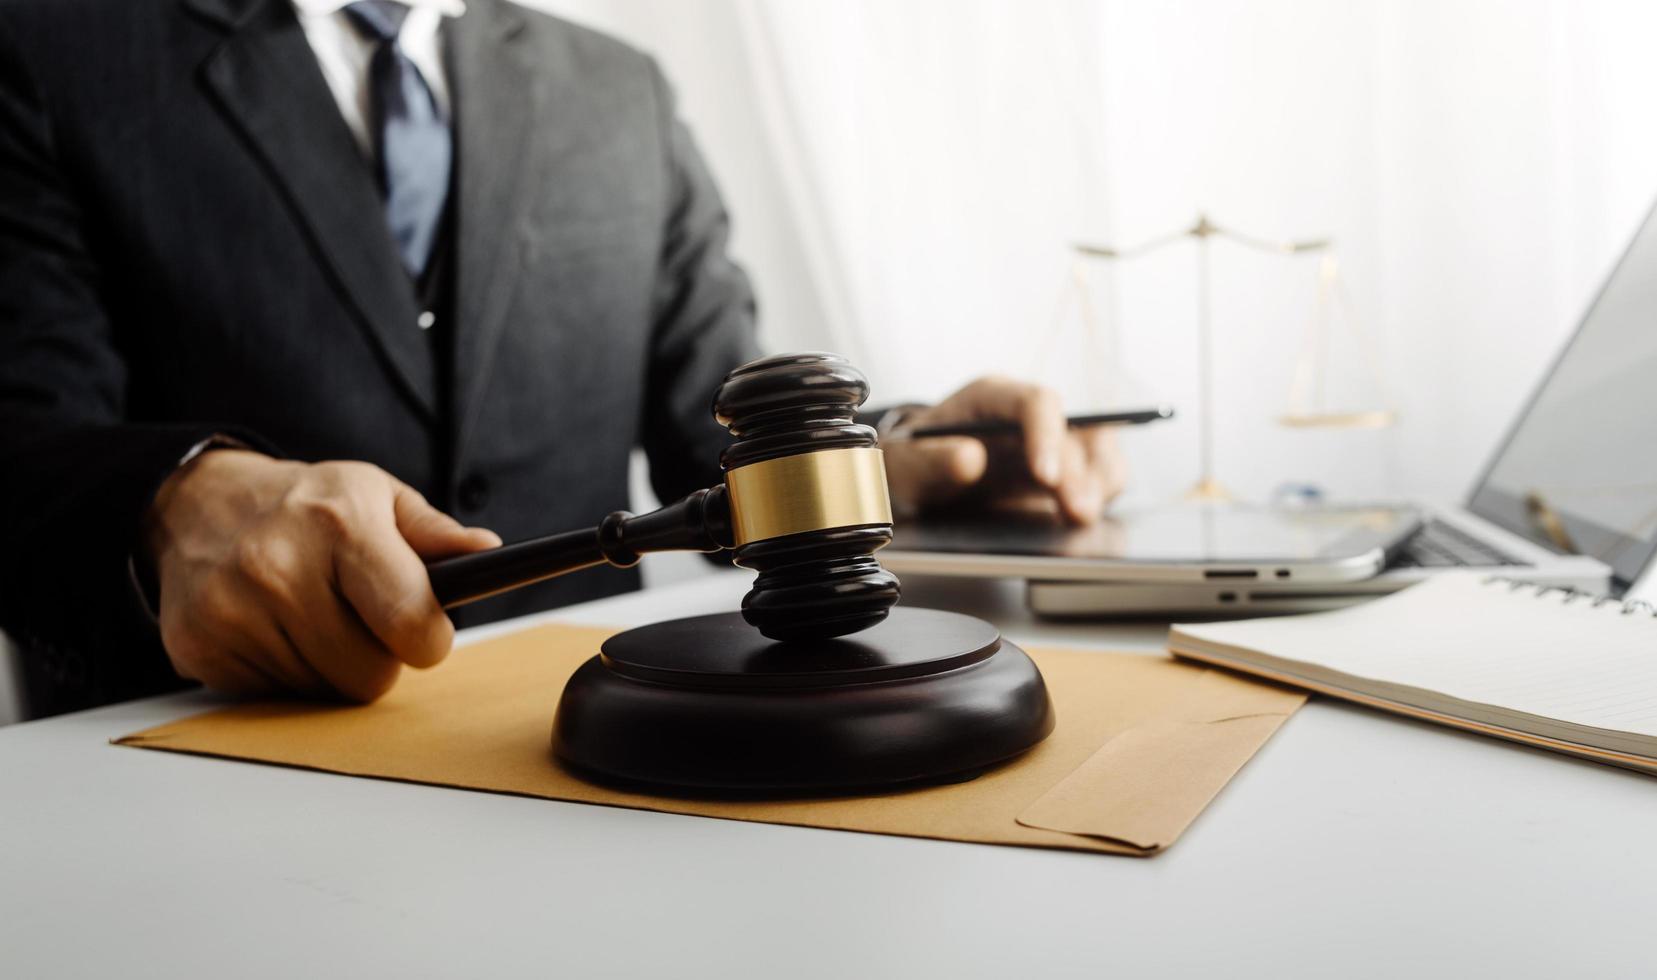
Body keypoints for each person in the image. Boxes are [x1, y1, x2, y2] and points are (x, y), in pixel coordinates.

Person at [0, 0, 1124, 715]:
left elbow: (722, 418)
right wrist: (168, 494)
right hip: (190, 773)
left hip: (589, 773)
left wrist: (909, 457)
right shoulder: (48, 49)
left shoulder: (619, 89)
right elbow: (22, 440)